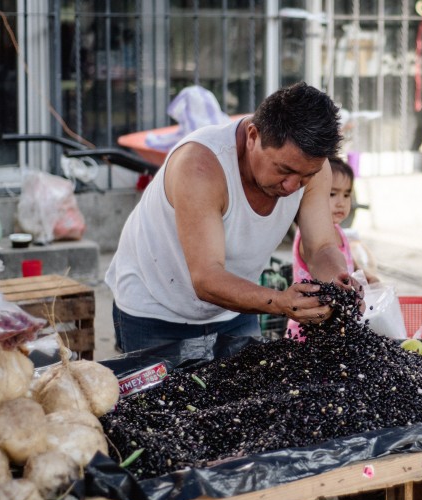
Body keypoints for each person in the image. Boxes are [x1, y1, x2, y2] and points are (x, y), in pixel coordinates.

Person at [105, 82, 351, 352]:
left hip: (236, 307)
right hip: (154, 308)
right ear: (253, 136)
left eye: (306, 176)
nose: (292, 186)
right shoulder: (200, 167)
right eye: (283, 169)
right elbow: (207, 278)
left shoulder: (313, 168)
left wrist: (340, 282)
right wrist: (281, 302)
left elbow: (321, 247)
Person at [285, 156, 379, 339]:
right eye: (332, 194)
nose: (341, 202)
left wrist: (367, 278)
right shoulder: (309, 236)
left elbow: (350, 268)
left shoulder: (340, 232)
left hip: (337, 328)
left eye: (346, 194)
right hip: (309, 331)